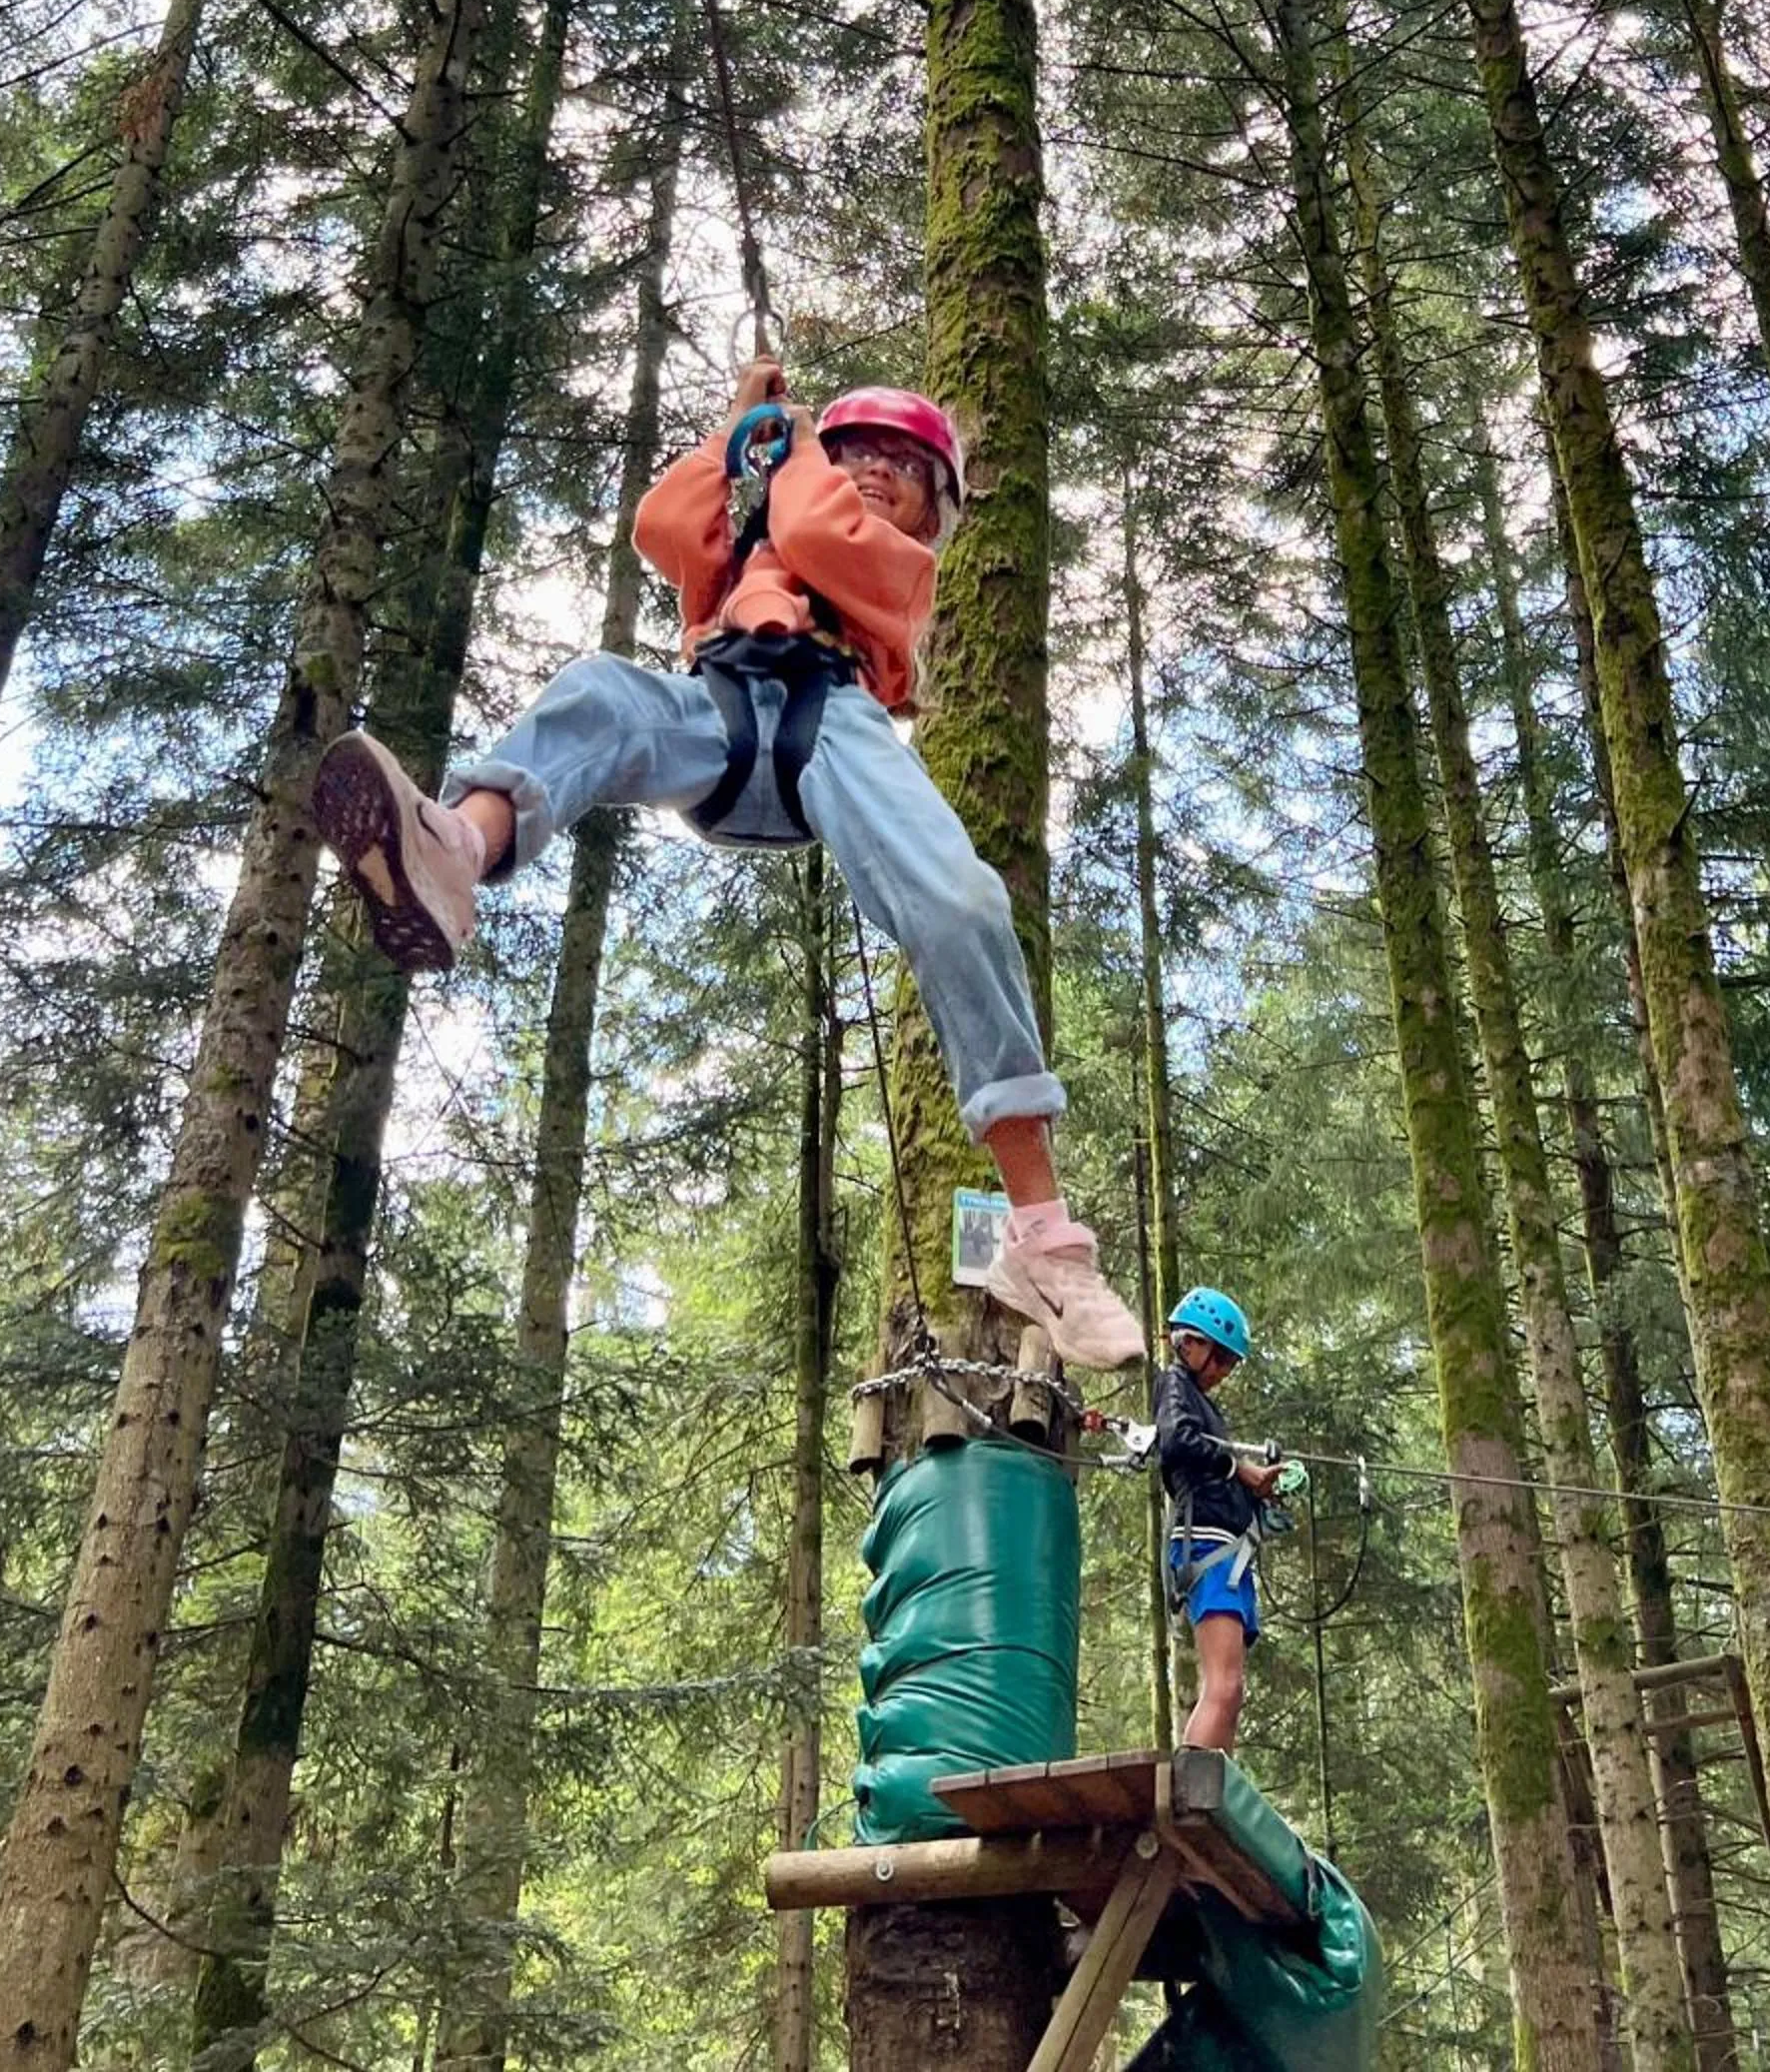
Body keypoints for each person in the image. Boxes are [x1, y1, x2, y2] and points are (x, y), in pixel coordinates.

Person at [310, 352, 1144, 1370]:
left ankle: (1044, 1243)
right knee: (602, 693)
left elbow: (810, 529)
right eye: (858, 453)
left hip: (834, 731)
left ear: (932, 510)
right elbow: (664, 528)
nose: (874, 474)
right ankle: (457, 848)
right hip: (717, 712)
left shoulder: (893, 564)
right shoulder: (770, 531)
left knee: (963, 904)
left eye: (901, 466)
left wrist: (793, 456)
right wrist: (734, 433)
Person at [1154, 1287, 1282, 1752]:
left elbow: (1204, 1456)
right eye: (1222, 1359)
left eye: (1231, 1363)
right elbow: (1176, 1442)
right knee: (1222, 1688)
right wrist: (1238, 1468)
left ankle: (1213, 1803)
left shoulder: (1199, 1401)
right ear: (1190, 1344)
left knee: (1232, 1693)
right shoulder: (1174, 1386)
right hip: (1206, 1545)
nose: (1225, 1372)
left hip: (1224, 1547)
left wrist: (1254, 1490)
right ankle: (1190, 1801)